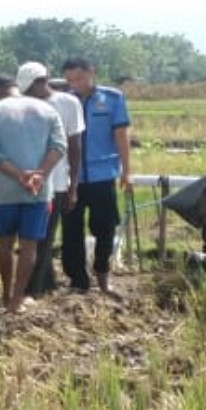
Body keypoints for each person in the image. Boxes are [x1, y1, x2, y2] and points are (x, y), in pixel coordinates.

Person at [0, 68, 66, 315]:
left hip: (5, 192)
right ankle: (18, 300)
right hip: (38, 191)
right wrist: (39, 174)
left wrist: (19, 175)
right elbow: (59, 146)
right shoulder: (47, 110)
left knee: (5, 245)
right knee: (29, 247)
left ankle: (6, 295)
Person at [59, 56, 132, 297]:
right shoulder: (63, 101)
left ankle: (102, 274)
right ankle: (78, 279)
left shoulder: (112, 99)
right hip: (71, 178)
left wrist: (126, 170)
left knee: (105, 228)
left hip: (102, 174)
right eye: (70, 80)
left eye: (79, 78)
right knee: (71, 230)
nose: (75, 84)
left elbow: (121, 135)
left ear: (92, 73)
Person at [23, 66, 84, 297]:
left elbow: (75, 146)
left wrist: (73, 184)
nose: (28, 94)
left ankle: (35, 289)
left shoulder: (68, 103)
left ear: (42, 81)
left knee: (45, 237)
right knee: (33, 236)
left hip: (57, 180)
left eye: (30, 88)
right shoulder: (25, 105)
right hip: (29, 179)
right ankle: (45, 282)